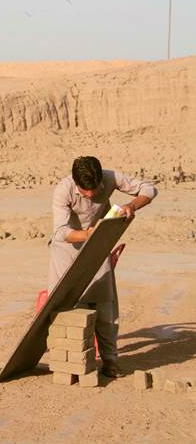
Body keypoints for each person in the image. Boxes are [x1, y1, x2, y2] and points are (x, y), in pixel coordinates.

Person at [49, 155, 157, 378]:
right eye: (84, 191)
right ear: (76, 183)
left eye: (95, 189)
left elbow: (149, 189)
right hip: (67, 252)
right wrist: (86, 233)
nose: (91, 195)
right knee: (67, 309)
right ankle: (68, 361)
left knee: (105, 310)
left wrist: (131, 205)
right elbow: (59, 232)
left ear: (101, 180)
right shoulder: (63, 189)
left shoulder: (110, 178)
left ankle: (110, 362)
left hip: (98, 249)